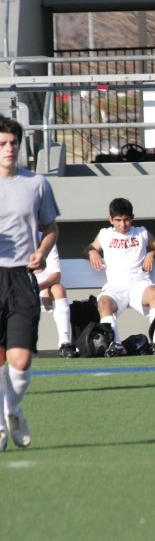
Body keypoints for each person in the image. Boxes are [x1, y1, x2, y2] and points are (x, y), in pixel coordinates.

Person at [0, 115, 60, 451]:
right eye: (3, 144)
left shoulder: (36, 184)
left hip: (22, 278)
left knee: (20, 361)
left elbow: (51, 228)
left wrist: (40, 251)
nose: (9, 150)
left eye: (13, 144)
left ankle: (11, 409)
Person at [84, 198, 155, 356]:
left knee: (154, 293)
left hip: (139, 283)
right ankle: (114, 345)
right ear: (110, 219)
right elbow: (88, 248)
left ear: (132, 217)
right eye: (118, 220)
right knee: (103, 302)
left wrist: (152, 253)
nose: (123, 225)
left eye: (127, 220)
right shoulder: (104, 234)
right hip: (116, 286)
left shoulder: (141, 232)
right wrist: (92, 252)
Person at [34, 240, 74, 357]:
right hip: (19, 289)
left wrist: (40, 288)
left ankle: (65, 343)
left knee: (58, 289)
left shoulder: (46, 240)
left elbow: (56, 276)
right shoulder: (10, 238)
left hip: (43, 289)